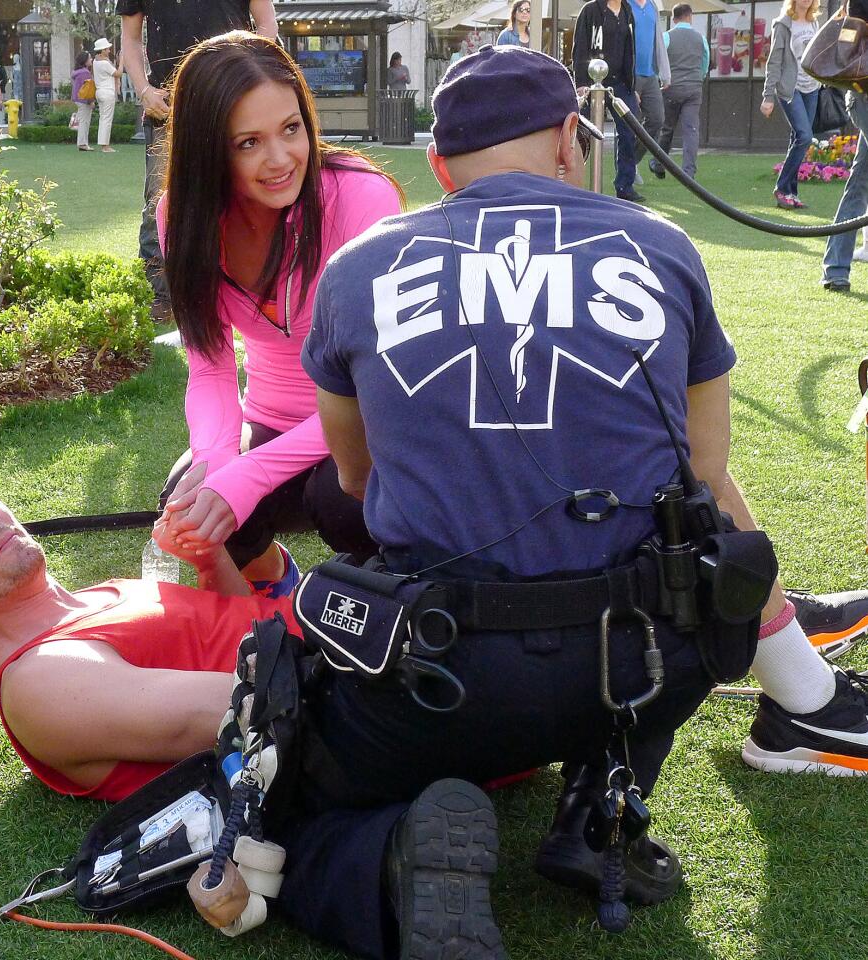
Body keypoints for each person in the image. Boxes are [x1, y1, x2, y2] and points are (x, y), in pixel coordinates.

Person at [291, 45, 868, 955]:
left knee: (293, 802)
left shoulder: (357, 270)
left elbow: (356, 482)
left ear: (438, 165)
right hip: (638, 665)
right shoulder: (665, 246)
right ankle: (602, 799)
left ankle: (391, 854)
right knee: (682, 551)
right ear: (570, 138)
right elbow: (706, 471)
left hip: (440, 678)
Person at [0, 461, 301, 802]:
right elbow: (254, 708)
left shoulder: (96, 598)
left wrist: (208, 556)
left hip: (328, 638)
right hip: (339, 679)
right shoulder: (42, 679)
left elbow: (240, 631)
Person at [154, 32, 403, 596]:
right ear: (207, 149)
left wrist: (248, 475)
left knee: (342, 502)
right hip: (268, 417)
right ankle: (272, 596)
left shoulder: (363, 200)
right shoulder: (184, 215)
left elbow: (375, 387)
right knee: (190, 500)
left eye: (292, 129)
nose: (280, 159)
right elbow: (211, 366)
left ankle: (382, 618)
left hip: (365, 422)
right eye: (248, 142)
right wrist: (219, 462)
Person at [117, 0, 279, 324]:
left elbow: (267, 26)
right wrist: (144, 90)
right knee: (159, 204)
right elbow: (130, 39)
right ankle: (160, 297)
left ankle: (248, 291)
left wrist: (248, 78)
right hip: (166, 102)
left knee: (245, 194)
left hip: (231, 96)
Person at [573, 0, 645, 201]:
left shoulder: (627, 11)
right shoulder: (590, 10)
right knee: (581, 134)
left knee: (631, 130)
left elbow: (630, 51)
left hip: (620, 82)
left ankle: (624, 186)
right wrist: (581, 82)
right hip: (591, 80)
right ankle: (575, 186)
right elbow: (580, 46)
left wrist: (633, 86)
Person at [819, 0, 868, 291]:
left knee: (859, 182)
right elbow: (850, 38)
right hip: (864, 95)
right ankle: (835, 268)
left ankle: (835, 268)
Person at [761, 0, 821, 210]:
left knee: (798, 138)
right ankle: (781, 187)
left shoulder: (815, 23)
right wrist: (768, 96)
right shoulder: (783, 24)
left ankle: (790, 194)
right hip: (790, 89)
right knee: (805, 136)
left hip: (811, 87)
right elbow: (774, 61)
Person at [650, 4, 709, 182]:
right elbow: (705, 62)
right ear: (690, 16)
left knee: (667, 128)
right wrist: (700, 76)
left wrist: (661, 79)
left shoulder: (667, 36)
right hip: (694, 88)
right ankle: (688, 172)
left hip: (672, 88)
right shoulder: (701, 38)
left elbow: (658, 59)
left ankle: (658, 163)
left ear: (674, 19)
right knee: (691, 130)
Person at [628, 0, 671, 183]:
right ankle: (625, 170)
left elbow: (659, 39)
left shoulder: (652, 6)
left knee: (657, 119)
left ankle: (632, 161)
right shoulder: (625, 5)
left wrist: (665, 72)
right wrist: (628, 80)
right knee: (628, 124)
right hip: (630, 73)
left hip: (650, 73)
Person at [91, 37, 120, 154]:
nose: (109, 51)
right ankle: (105, 146)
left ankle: (103, 144)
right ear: (102, 50)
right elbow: (118, 73)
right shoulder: (104, 63)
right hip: (107, 92)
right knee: (107, 119)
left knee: (103, 118)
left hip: (100, 92)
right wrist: (121, 61)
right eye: (107, 49)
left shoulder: (95, 61)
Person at [71, 50, 96, 152]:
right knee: (84, 122)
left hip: (78, 99)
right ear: (85, 61)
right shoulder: (85, 73)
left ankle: (83, 143)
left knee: (83, 121)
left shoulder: (77, 73)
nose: (91, 60)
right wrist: (91, 101)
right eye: (89, 58)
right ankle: (82, 143)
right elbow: (87, 89)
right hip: (84, 100)